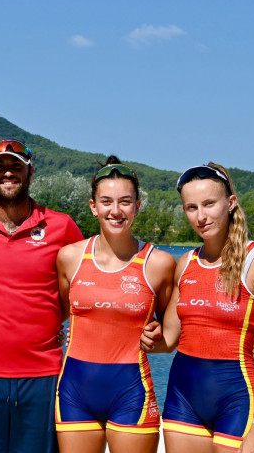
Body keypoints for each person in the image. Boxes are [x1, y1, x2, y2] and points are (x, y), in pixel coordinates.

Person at [0, 138, 84, 453]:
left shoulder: (61, 226)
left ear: (30, 172)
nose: (8, 173)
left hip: (43, 375)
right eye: (0, 167)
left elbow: (84, 283)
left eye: (16, 166)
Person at [140, 163, 254, 453]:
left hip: (238, 400)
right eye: (191, 207)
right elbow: (169, 340)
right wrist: (147, 336)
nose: (201, 216)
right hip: (183, 398)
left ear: (230, 203)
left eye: (209, 204)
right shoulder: (185, 264)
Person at [55, 157, 175, 453]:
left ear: (137, 206)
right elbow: (60, 314)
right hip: (74, 392)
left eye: (125, 201)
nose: (116, 211)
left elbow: (170, 336)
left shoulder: (158, 264)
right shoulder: (69, 258)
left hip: (132, 391)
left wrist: (157, 336)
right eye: (106, 201)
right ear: (93, 206)